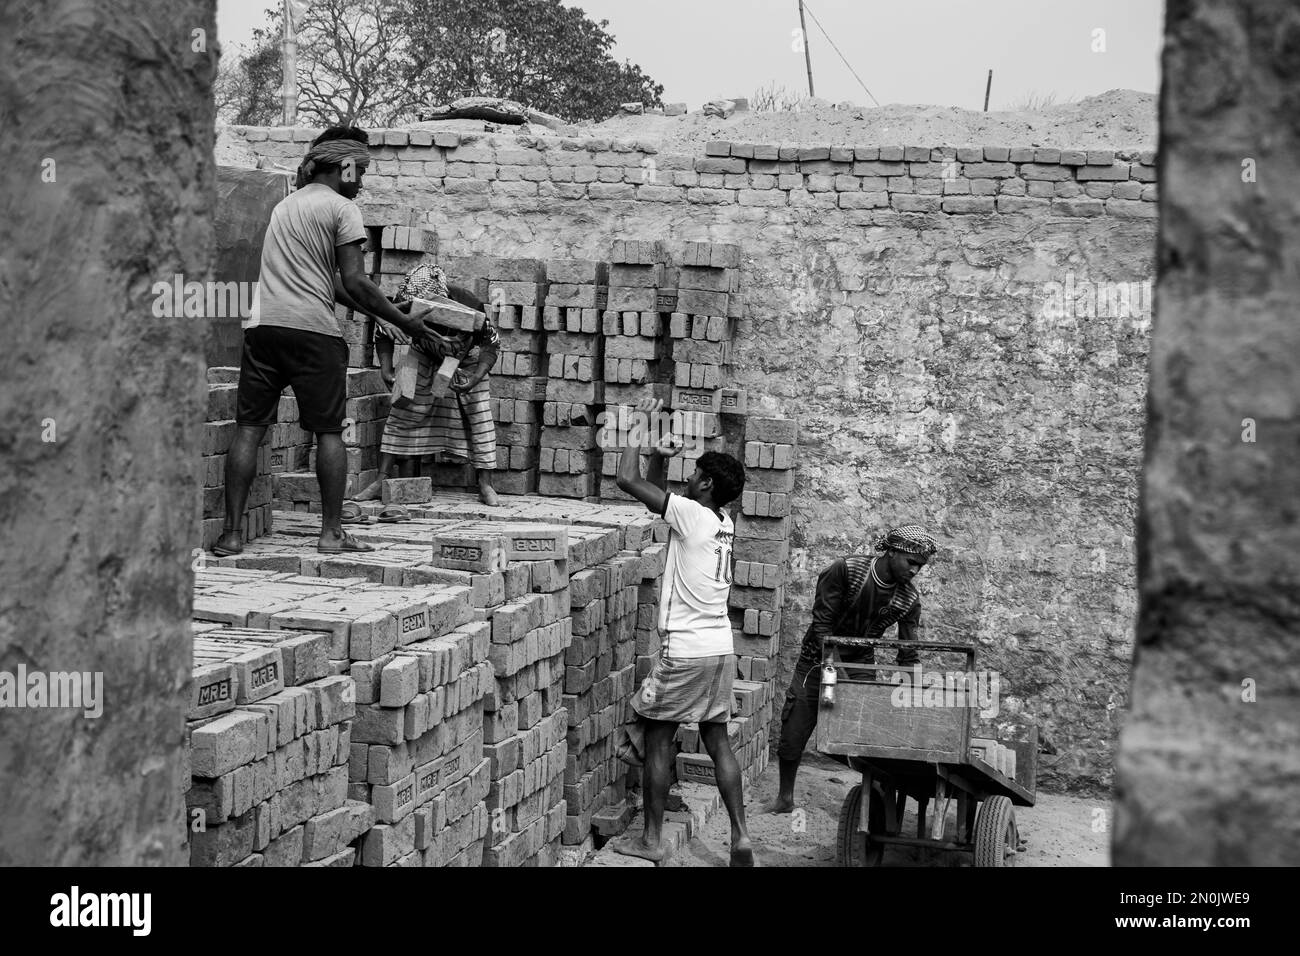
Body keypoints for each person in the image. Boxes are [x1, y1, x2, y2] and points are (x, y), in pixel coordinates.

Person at [213, 126, 437, 556]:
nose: (364, 181)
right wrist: (409, 324)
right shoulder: (342, 209)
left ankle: (232, 535)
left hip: (262, 329)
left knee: (249, 430)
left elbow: (329, 280)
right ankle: (331, 533)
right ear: (346, 167)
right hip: (314, 333)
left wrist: (381, 312)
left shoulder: (284, 207)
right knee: (328, 433)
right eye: (363, 171)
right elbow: (354, 279)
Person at [612, 398, 753, 866]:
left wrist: (632, 431)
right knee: (718, 741)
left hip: (686, 652)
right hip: (720, 651)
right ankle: (740, 837)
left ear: (707, 484)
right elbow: (657, 499)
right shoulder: (723, 522)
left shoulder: (693, 514)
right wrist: (660, 457)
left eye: (693, 475)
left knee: (657, 739)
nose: (687, 481)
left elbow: (627, 483)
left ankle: (651, 841)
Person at [762, 526, 938, 814]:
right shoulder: (846, 570)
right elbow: (822, 626)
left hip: (859, 664)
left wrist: (912, 689)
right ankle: (785, 798)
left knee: (870, 740)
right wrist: (834, 671)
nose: (915, 570)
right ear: (892, 551)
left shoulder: (908, 600)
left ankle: (877, 805)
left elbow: (908, 653)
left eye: (920, 566)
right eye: (911, 562)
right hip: (816, 658)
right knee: (793, 733)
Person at [353, 260, 502, 506]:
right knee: (401, 411)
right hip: (423, 353)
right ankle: (381, 480)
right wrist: (386, 368)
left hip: (465, 359)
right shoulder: (404, 300)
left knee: (479, 415)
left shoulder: (468, 304)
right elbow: (383, 332)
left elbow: (491, 343)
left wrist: (476, 378)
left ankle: (485, 484)